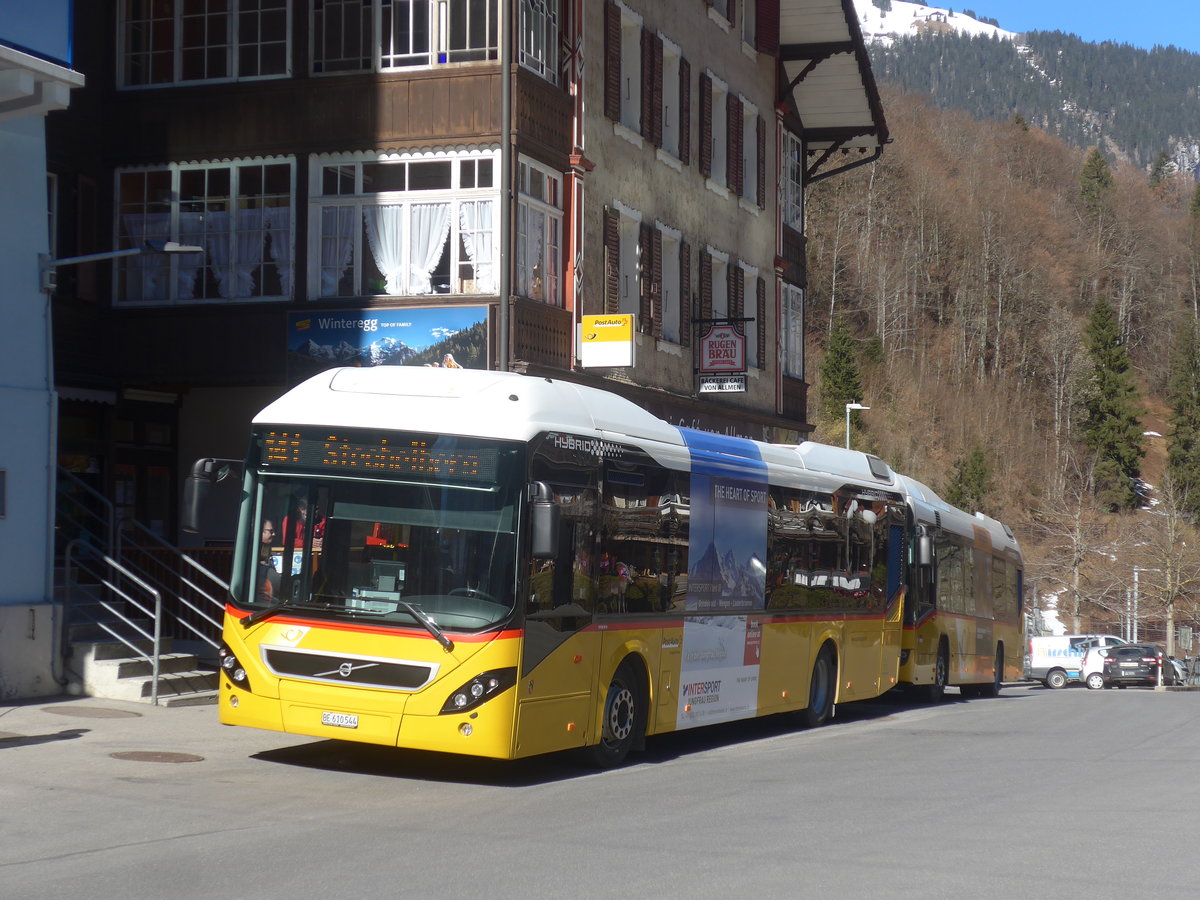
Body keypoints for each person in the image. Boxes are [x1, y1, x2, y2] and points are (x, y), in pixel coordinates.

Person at [256, 519, 280, 601]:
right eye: (271, 531)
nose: (274, 534)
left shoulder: (267, 551)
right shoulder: (254, 554)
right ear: (260, 532)